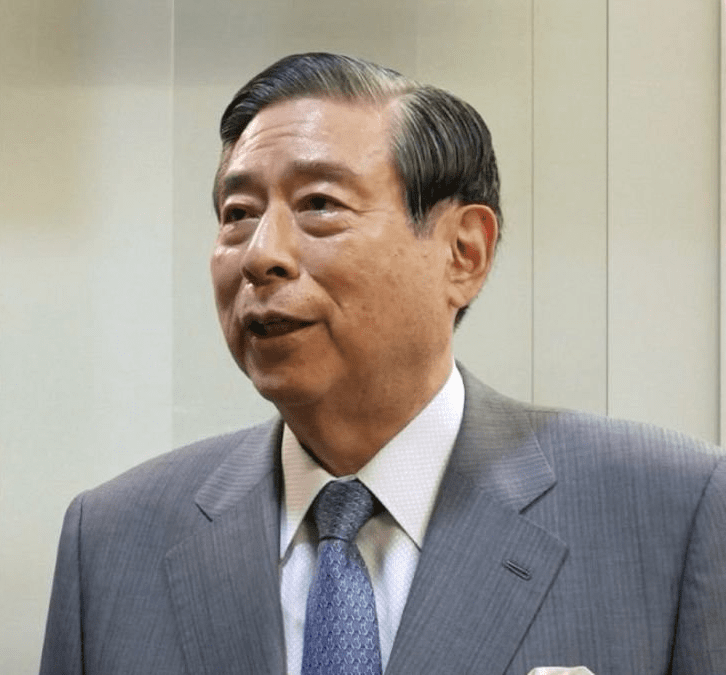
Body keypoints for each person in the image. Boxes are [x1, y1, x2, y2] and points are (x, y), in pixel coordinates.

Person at [38, 52, 726, 675]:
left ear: (464, 253)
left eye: (319, 205)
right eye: (238, 213)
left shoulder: (668, 510)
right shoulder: (112, 540)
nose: (261, 254)